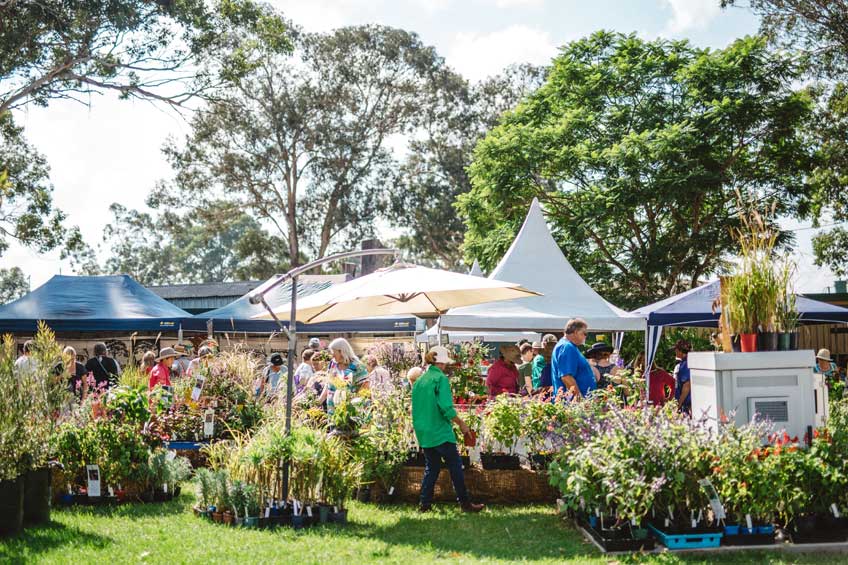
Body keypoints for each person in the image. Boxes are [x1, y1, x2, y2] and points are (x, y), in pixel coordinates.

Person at [412, 346, 484, 513]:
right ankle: (465, 504)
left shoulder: (420, 381)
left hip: (424, 431)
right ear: (442, 362)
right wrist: (461, 423)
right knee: (455, 466)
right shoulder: (440, 379)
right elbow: (446, 408)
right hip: (440, 431)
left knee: (432, 467)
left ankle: (424, 504)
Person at [551, 318, 595, 401]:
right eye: (584, 333)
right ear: (576, 332)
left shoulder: (569, 346)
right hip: (571, 403)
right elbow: (566, 377)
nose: (585, 336)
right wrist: (580, 400)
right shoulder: (567, 347)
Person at [325, 338, 369, 413]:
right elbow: (328, 385)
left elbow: (365, 386)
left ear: (341, 351)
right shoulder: (333, 364)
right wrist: (319, 401)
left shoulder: (357, 366)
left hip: (350, 409)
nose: (332, 355)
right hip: (332, 409)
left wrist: (355, 401)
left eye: (333, 352)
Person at [672, 339, 692, 414]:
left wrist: (679, 405)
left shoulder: (685, 365)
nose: (675, 352)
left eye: (676, 350)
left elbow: (687, 386)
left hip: (688, 406)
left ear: (680, 351)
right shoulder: (688, 362)